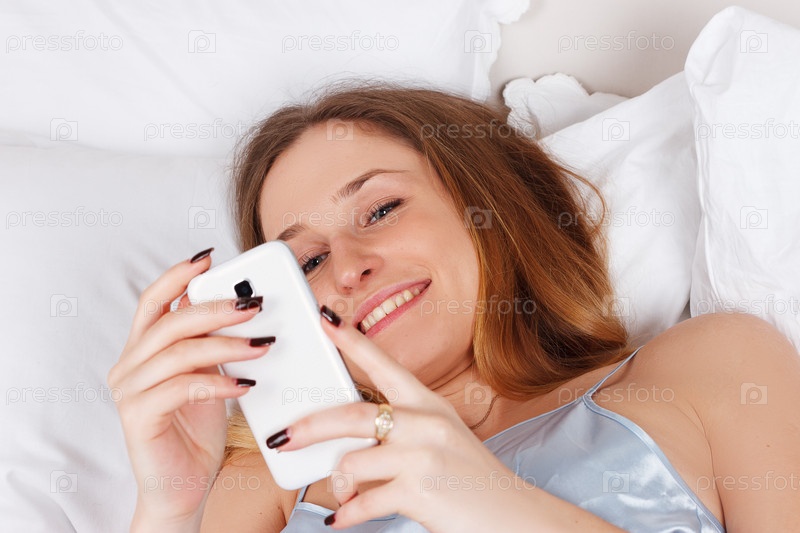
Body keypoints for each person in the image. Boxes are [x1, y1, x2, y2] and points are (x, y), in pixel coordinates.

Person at [108, 85, 800, 532]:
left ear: (488, 207)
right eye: (307, 262)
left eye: (381, 209)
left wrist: (495, 504)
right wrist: (167, 505)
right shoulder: (282, 481)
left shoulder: (711, 366)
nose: (347, 268)